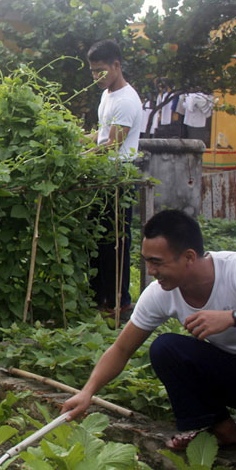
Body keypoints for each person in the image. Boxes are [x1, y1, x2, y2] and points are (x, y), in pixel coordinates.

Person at [61, 209, 236, 470]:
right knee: (166, 348)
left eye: (157, 262)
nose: (150, 272)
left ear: (188, 257)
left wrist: (233, 318)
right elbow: (122, 348)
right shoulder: (161, 293)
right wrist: (87, 392)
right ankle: (222, 431)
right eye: (146, 262)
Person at [86, 39, 142, 317]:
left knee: (116, 243)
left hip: (119, 179)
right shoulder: (107, 95)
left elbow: (112, 145)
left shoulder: (127, 100)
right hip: (102, 178)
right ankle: (100, 300)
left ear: (116, 66)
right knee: (98, 242)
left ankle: (119, 302)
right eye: (93, 71)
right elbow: (101, 136)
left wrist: (81, 157)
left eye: (101, 71)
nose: (96, 77)